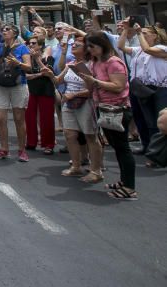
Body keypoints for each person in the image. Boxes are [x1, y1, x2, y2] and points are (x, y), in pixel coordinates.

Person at [80, 31, 135, 200]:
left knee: (122, 148)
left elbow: (118, 86)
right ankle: (124, 181)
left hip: (117, 108)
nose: (90, 50)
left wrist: (95, 82)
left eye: (92, 46)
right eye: (88, 47)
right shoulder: (96, 62)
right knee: (116, 146)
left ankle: (129, 187)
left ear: (102, 46)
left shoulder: (114, 62)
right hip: (102, 107)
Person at [53, 36, 103, 182]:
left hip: (86, 103)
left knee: (90, 136)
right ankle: (76, 166)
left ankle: (96, 170)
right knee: (69, 134)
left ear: (86, 48)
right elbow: (57, 80)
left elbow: (93, 89)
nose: (73, 46)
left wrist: (74, 94)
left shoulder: (92, 64)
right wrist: (44, 68)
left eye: (77, 44)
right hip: (69, 103)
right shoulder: (71, 63)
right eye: (72, 44)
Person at [118, 22, 167, 163]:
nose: (142, 35)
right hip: (142, 88)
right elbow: (121, 47)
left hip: (160, 89)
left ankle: (158, 154)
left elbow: (148, 50)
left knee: (159, 122)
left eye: (146, 33)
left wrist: (138, 32)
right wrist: (126, 30)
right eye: (142, 33)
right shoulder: (138, 49)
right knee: (143, 119)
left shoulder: (162, 48)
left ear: (156, 36)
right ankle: (147, 146)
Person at [0, 24, 31, 162]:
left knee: (18, 118)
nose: (4, 31)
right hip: (0, 85)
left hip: (18, 85)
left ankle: (22, 150)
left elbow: (28, 68)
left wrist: (18, 64)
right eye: (3, 30)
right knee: (0, 118)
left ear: (15, 33)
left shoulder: (22, 47)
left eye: (7, 29)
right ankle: (4, 149)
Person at [24, 30, 58, 155]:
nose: (31, 45)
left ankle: (48, 144)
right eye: (29, 43)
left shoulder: (48, 58)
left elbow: (48, 73)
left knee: (47, 118)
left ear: (40, 45)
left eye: (33, 43)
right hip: (32, 90)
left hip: (46, 91)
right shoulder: (27, 59)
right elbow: (26, 75)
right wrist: (39, 74)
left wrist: (38, 60)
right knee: (29, 117)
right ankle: (31, 142)